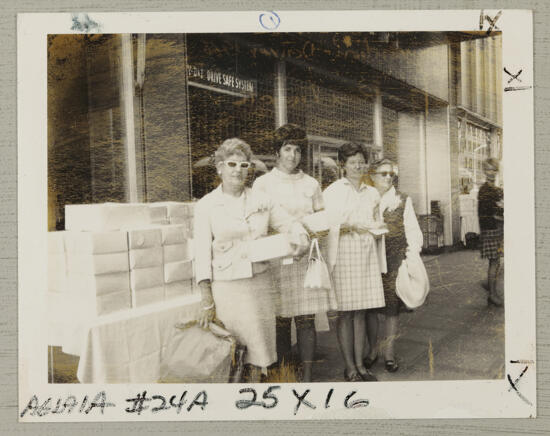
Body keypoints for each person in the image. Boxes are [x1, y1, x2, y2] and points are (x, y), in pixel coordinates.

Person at [194, 138, 309, 381]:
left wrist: (299, 239)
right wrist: (206, 299)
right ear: (219, 168)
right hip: (227, 288)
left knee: (260, 353)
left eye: (244, 165)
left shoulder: (262, 199)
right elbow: (201, 254)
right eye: (232, 164)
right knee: (231, 352)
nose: (238, 170)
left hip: (259, 286)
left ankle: (255, 399)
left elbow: (290, 223)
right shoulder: (206, 205)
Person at [253, 124, 338, 382]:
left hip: (304, 260)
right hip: (277, 261)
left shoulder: (311, 184)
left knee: (305, 319)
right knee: (280, 320)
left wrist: (313, 236)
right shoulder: (263, 183)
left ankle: (308, 375)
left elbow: (323, 221)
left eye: (297, 150)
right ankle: (283, 372)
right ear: (277, 152)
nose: (292, 155)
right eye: (287, 149)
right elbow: (258, 225)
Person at [323, 142, 386, 382]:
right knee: (346, 313)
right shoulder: (333, 191)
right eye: (352, 162)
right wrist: (350, 226)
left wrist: (378, 228)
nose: (358, 165)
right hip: (344, 253)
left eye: (361, 161)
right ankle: (349, 367)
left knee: (361, 311)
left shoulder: (372, 193)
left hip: (367, 253)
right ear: (343, 165)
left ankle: (361, 365)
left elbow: (376, 220)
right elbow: (327, 225)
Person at [364, 158, 423, 373]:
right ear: (372, 175)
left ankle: (388, 353)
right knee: (370, 309)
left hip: (393, 260)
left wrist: (410, 256)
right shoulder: (365, 198)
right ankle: (372, 351)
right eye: (383, 173)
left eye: (391, 174)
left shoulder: (401, 199)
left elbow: (413, 231)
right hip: (368, 261)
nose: (388, 177)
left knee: (391, 309)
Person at [478, 157, 504, 307]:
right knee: (494, 262)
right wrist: (500, 212)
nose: (491, 173)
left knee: (496, 261)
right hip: (491, 230)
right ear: (484, 171)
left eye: (494, 169)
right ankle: (492, 294)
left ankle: (490, 285)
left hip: (494, 229)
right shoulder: (485, 190)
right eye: (488, 169)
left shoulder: (493, 189)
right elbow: (488, 214)